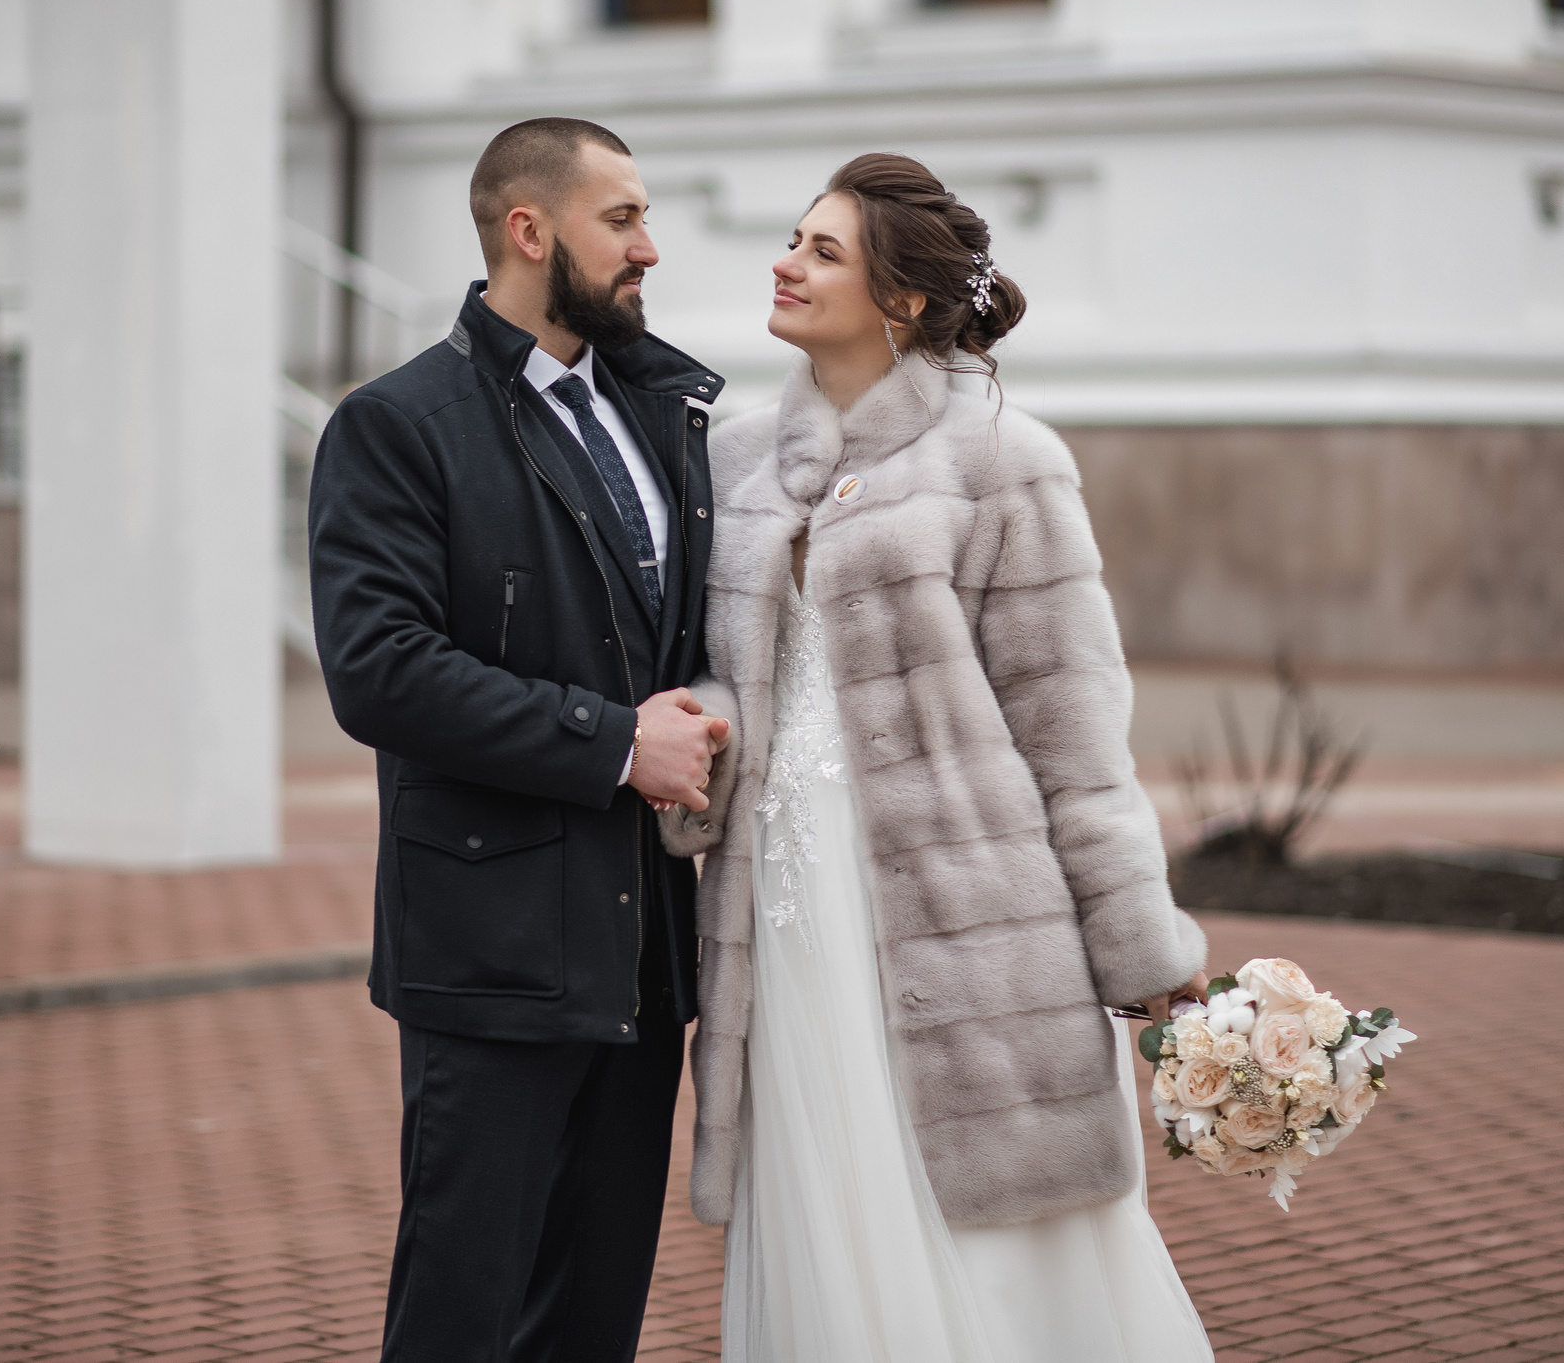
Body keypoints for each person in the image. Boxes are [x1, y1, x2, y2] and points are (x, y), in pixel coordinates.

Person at [661, 152, 1216, 1361]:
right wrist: (707, 734)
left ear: (903, 301)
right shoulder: (735, 461)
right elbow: (723, 671)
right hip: (784, 905)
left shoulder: (1004, 458)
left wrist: (1141, 950)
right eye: (792, 240)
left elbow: (1071, 734)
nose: (786, 263)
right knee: (824, 1179)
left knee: (988, 1220)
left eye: (821, 251)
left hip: (966, 908)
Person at [308, 117, 732, 1363]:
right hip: (491, 952)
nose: (649, 247)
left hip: (642, 954)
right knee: (462, 1311)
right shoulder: (398, 426)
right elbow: (379, 673)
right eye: (623, 219)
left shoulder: (670, 413)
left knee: (592, 1316)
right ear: (527, 230)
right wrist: (614, 743)